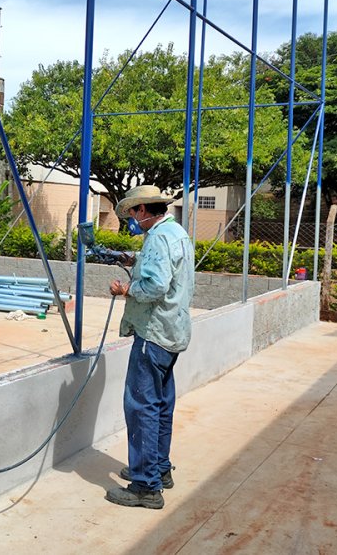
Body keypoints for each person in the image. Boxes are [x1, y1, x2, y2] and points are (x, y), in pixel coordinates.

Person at [104, 184, 195, 510]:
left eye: (132, 212)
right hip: (172, 333)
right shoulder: (176, 232)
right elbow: (164, 269)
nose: (131, 218)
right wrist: (133, 259)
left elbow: (154, 285)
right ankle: (158, 468)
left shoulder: (157, 237)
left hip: (153, 333)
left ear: (143, 210)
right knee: (160, 404)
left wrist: (125, 289)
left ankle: (145, 486)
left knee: (141, 407)